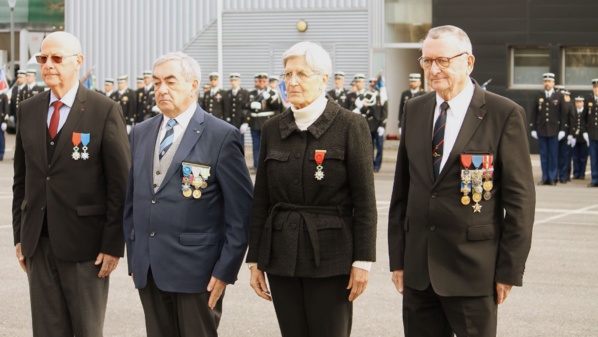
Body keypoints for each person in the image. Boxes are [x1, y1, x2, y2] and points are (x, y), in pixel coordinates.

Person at [388, 25, 535, 337]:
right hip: (419, 272)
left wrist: (508, 270)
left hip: (473, 273)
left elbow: (520, 203)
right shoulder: (415, 109)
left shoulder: (503, 113)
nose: (433, 69)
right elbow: (402, 192)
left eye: (443, 60)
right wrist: (398, 259)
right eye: (426, 61)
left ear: (468, 62)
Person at [246, 41, 377, 337]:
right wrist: (255, 260)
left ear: (323, 79)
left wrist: (363, 261)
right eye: (287, 74)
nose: (292, 82)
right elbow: (261, 200)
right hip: (281, 255)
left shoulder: (350, 125)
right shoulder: (272, 129)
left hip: (332, 258)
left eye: (302, 74)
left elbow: (366, 202)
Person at [124, 52, 253, 337]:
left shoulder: (221, 135)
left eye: (170, 81)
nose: (161, 89)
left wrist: (225, 271)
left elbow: (241, 214)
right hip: (150, 270)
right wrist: (135, 256)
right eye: (156, 82)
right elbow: (133, 201)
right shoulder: (141, 132)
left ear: (193, 85)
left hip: (198, 274)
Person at [12, 31, 130, 337]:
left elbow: (120, 184)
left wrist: (113, 243)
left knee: (86, 330)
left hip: (86, 246)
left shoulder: (103, 109)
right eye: (42, 58)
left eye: (56, 58)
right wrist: (20, 235)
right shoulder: (28, 109)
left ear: (78, 62)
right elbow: (21, 181)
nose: (48, 64)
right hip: (38, 241)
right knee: (47, 330)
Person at [530, 72, 567, 185]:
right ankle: (545, 177)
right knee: (544, 156)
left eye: (549, 81)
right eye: (545, 81)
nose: (547, 83)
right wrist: (533, 128)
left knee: (553, 156)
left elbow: (563, 114)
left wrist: (562, 129)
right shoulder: (539, 95)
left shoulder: (559, 96)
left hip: (554, 130)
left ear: (553, 83)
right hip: (541, 130)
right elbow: (534, 112)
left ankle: (552, 178)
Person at [246, 72, 282, 172]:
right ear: (256, 82)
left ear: (266, 82)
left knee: (267, 146)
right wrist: (250, 106)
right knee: (256, 146)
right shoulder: (251, 93)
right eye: (259, 81)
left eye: (264, 81)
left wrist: (269, 98)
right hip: (254, 123)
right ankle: (256, 166)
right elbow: (245, 106)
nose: (261, 82)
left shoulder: (272, 93)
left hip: (266, 123)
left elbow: (277, 107)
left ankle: (266, 167)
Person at [355, 77, 387, 172]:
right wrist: (362, 107)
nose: (373, 86)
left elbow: (385, 112)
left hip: (378, 125)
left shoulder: (381, 96)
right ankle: (371, 164)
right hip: (369, 125)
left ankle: (377, 165)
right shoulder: (367, 95)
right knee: (369, 147)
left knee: (380, 147)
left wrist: (382, 125)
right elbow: (364, 109)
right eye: (371, 84)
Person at [226, 72, 249, 145]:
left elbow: (246, 108)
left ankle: (240, 157)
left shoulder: (244, 93)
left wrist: (245, 122)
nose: (233, 82)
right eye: (232, 80)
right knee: (230, 143)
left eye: (235, 80)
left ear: (239, 81)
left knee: (240, 144)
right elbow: (226, 108)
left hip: (240, 122)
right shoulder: (227, 93)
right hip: (230, 123)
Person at [558, 89, 575, 183]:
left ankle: (564, 176)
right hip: (557, 133)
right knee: (556, 156)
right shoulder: (557, 104)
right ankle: (557, 174)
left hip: (566, 134)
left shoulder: (570, 105)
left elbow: (572, 120)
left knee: (564, 157)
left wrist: (571, 134)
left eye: (566, 96)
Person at [585, 79, 598, 187]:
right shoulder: (589, 100)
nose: (596, 89)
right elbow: (584, 117)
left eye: (597, 87)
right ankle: (594, 179)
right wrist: (585, 132)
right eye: (594, 87)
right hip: (592, 134)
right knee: (593, 158)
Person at [571, 96, 588, 180]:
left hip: (583, 138)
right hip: (575, 138)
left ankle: (582, 173)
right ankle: (576, 173)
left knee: (583, 157)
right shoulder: (574, 112)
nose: (578, 104)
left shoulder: (585, 112)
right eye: (577, 102)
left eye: (580, 102)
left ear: (583, 103)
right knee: (575, 157)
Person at [7, 70, 27, 134]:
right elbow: (12, 102)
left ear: (25, 78)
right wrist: (10, 114)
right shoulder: (15, 89)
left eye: (20, 77)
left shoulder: (27, 89)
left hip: (25, 115)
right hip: (16, 114)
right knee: (17, 132)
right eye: (18, 77)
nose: (18, 79)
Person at [0, 90, 8, 160]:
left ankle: (1, 153)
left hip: (1, 120)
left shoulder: (3, 96)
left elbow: (6, 109)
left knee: (1, 138)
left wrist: (5, 121)